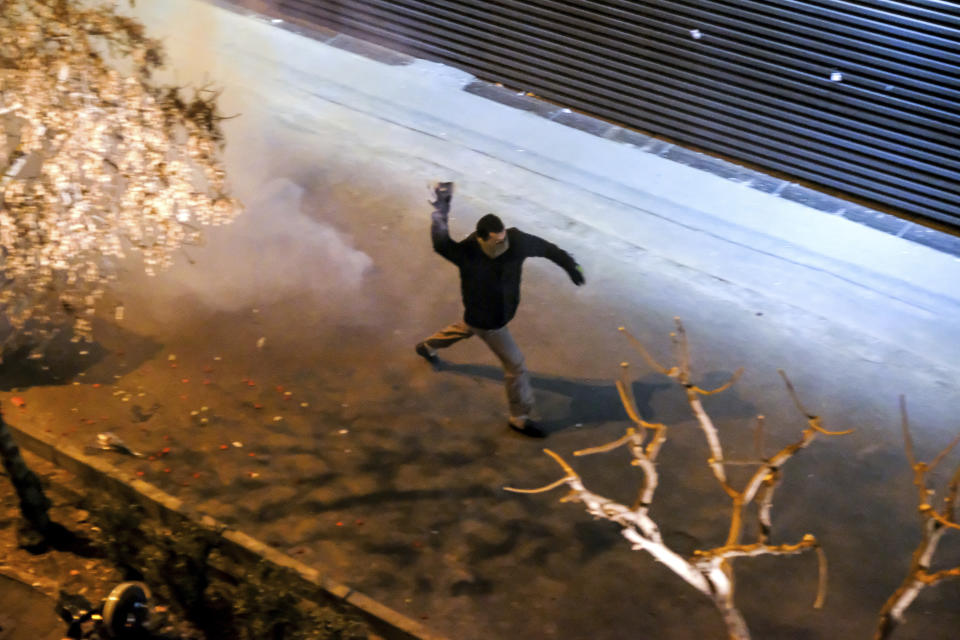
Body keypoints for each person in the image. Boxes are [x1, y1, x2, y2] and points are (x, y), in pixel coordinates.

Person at [415, 182, 585, 438]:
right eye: (497, 241)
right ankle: (519, 418)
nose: (503, 245)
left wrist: (571, 267)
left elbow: (548, 249)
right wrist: (441, 208)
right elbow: (440, 242)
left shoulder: (516, 241)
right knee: (515, 366)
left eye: (504, 238)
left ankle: (427, 346)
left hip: (483, 316)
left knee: (465, 327)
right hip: (490, 322)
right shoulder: (466, 253)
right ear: (480, 238)